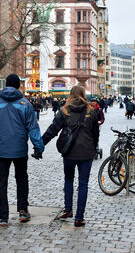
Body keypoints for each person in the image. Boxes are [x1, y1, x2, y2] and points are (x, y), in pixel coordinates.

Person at [0, 74, 44, 227]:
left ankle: (3, 216)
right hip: (20, 150)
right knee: (22, 180)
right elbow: (33, 128)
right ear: (18, 86)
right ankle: (22, 211)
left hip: (2, 150)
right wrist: (38, 147)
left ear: (5, 85)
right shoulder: (25, 104)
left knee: (1, 182)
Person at [42, 86, 99, 227]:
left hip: (69, 152)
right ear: (83, 95)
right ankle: (79, 218)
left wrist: (40, 144)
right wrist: (94, 148)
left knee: (68, 180)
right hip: (86, 153)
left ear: (70, 95)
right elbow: (95, 134)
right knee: (83, 184)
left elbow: (52, 130)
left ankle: (68, 209)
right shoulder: (90, 112)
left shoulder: (65, 111)